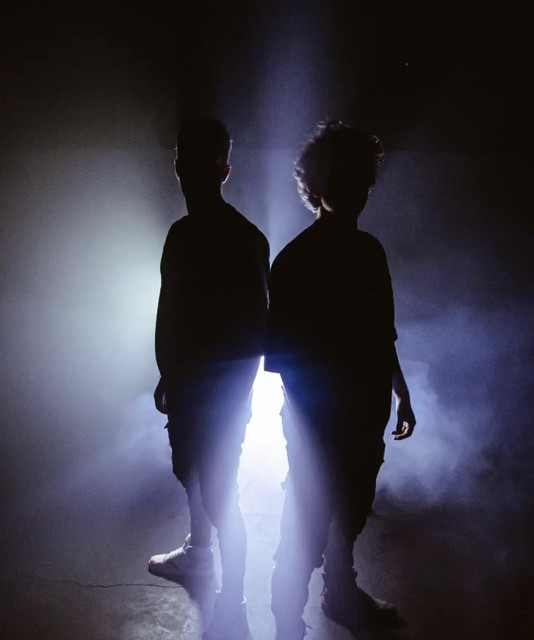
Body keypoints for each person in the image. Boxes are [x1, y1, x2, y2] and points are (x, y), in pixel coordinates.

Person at [265, 121, 416, 639]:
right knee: (306, 522)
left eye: (362, 181)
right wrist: (313, 429)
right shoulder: (294, 262)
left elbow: (381, 334)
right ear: (318, 186)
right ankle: (289, 619)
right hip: (319, 422)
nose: (358, 192)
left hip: (363, 415)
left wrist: (399, 391)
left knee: (350, 510)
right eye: (345, 180)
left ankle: (337, 594)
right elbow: (285, 362)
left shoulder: (369, 253)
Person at [148, 117, 269, 640]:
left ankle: (233, 594)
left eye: (197, 162)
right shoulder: (204, 236)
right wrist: (169, 376)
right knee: (195, 475)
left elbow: (253, 328)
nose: (187, 172)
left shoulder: (239, 239)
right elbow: (173, 314)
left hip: (215, 392)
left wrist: (224, 393)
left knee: (216, 489)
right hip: (193, 386)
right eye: (185, 161)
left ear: (221, 171)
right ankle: (202, 556)